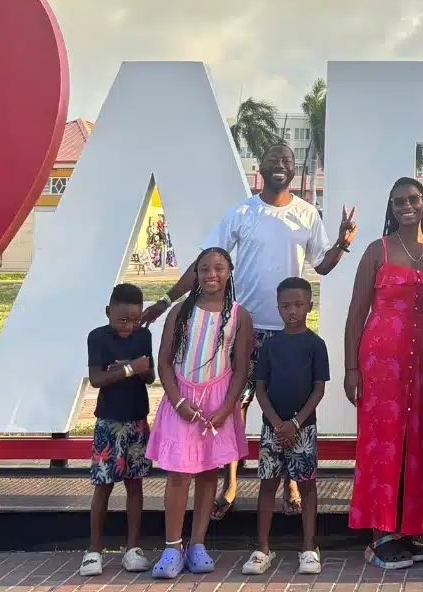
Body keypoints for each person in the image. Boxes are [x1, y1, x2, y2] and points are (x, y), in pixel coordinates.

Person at [144, 142, 357, 513]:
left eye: (287, 160)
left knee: (288, 402)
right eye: (273, 159)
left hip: (290, 331)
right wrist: (166, 301)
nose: (280, 165)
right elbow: (203, 264)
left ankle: (291, 483)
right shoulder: (242, 212)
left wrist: (342, 243)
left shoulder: (307, 214)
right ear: (260, 167)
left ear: (294, 169)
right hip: (242, 326)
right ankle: (229, 484)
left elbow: (321, 265)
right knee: (235, 404)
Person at [345, 177, 423, 568]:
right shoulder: (377, 250)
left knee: (420, 442)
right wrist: (351, 367)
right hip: (381, 360)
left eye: (414, 199)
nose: (407, 205)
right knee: (381, 441)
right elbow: (356, 313)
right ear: (391, 206)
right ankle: (379, 535)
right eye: (399, 200)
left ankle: (409, 531)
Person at [147, 247, 254, 579]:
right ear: (195, 274)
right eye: (204, 268)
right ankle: (171, 546)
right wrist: (178, 401)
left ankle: (198, 544)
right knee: (179, 474)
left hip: (217, 404)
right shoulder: (180, 311)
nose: (211, 274)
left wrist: (226, 408)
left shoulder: (239, 315)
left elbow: (240, 369)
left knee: (209, 472)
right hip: (183, 401)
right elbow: (165, 361)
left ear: (230, 272)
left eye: (219, 268)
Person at [241, 277, 328, 577]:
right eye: (286, 306)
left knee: (307, 485)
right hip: (272, 430)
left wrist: (295, 422)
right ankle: (263, 548)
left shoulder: (316, 345)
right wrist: (277, 423)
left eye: (299, 305)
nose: (292, 311)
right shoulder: (270, 346)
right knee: (267, 484)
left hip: (304, 428)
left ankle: (308, 547)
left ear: (309, 306)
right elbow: (261, 389)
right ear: (278, 308)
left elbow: (318, 389)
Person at [80, 282, 155, 578]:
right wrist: (127, 369)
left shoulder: (143, 335)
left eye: (135, 320)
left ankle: (133, 548)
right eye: (122, 320)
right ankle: (94, 550)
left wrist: (140, 369)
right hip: (108, 423)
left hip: (137, 419)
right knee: (103, 485)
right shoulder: (97, 337)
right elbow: (97, 378)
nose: (129, 326)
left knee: (135, 484)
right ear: (108, 312)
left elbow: (148, 375)